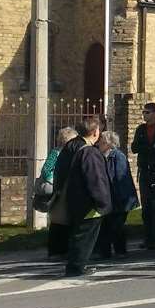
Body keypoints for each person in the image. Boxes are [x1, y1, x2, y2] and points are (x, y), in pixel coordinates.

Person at [63, 116, 112, 277]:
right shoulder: (90, 152)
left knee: (77, 233)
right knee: (85, 235)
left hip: (73, 198)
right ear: (95, 132)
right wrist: (103, 201)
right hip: (88, 202)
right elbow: (96, 179)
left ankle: (75, 264)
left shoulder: (71, 146)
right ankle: (77, 266)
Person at [130, 102, 155, 250]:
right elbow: (134, 147)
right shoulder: (141, 129)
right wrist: (148, 148)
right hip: (145, 170)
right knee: (146, 206)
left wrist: (152, 149)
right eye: (143, 112)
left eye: (147, 112)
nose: (144, 115)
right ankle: (148, 238)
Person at [95, 131, 138, 259]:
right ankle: (105, 252)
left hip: (119, 197)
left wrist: (116, 197)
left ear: (108, 144)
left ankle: (120, 250)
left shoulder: (118, 156)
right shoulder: (101, 156)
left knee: (117, 225)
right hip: (108, 197)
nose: (98, 144)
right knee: (105, 225)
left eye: (101, 142)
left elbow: (120, 178)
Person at [44, 126, 78, 259]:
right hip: (58, 191)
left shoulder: (71, 152)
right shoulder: (57, 152)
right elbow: (46, 171)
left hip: (68, 190)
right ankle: (56, 251)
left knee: (66, 221)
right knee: (58, 221)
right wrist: (57, 184)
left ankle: (65, 249)